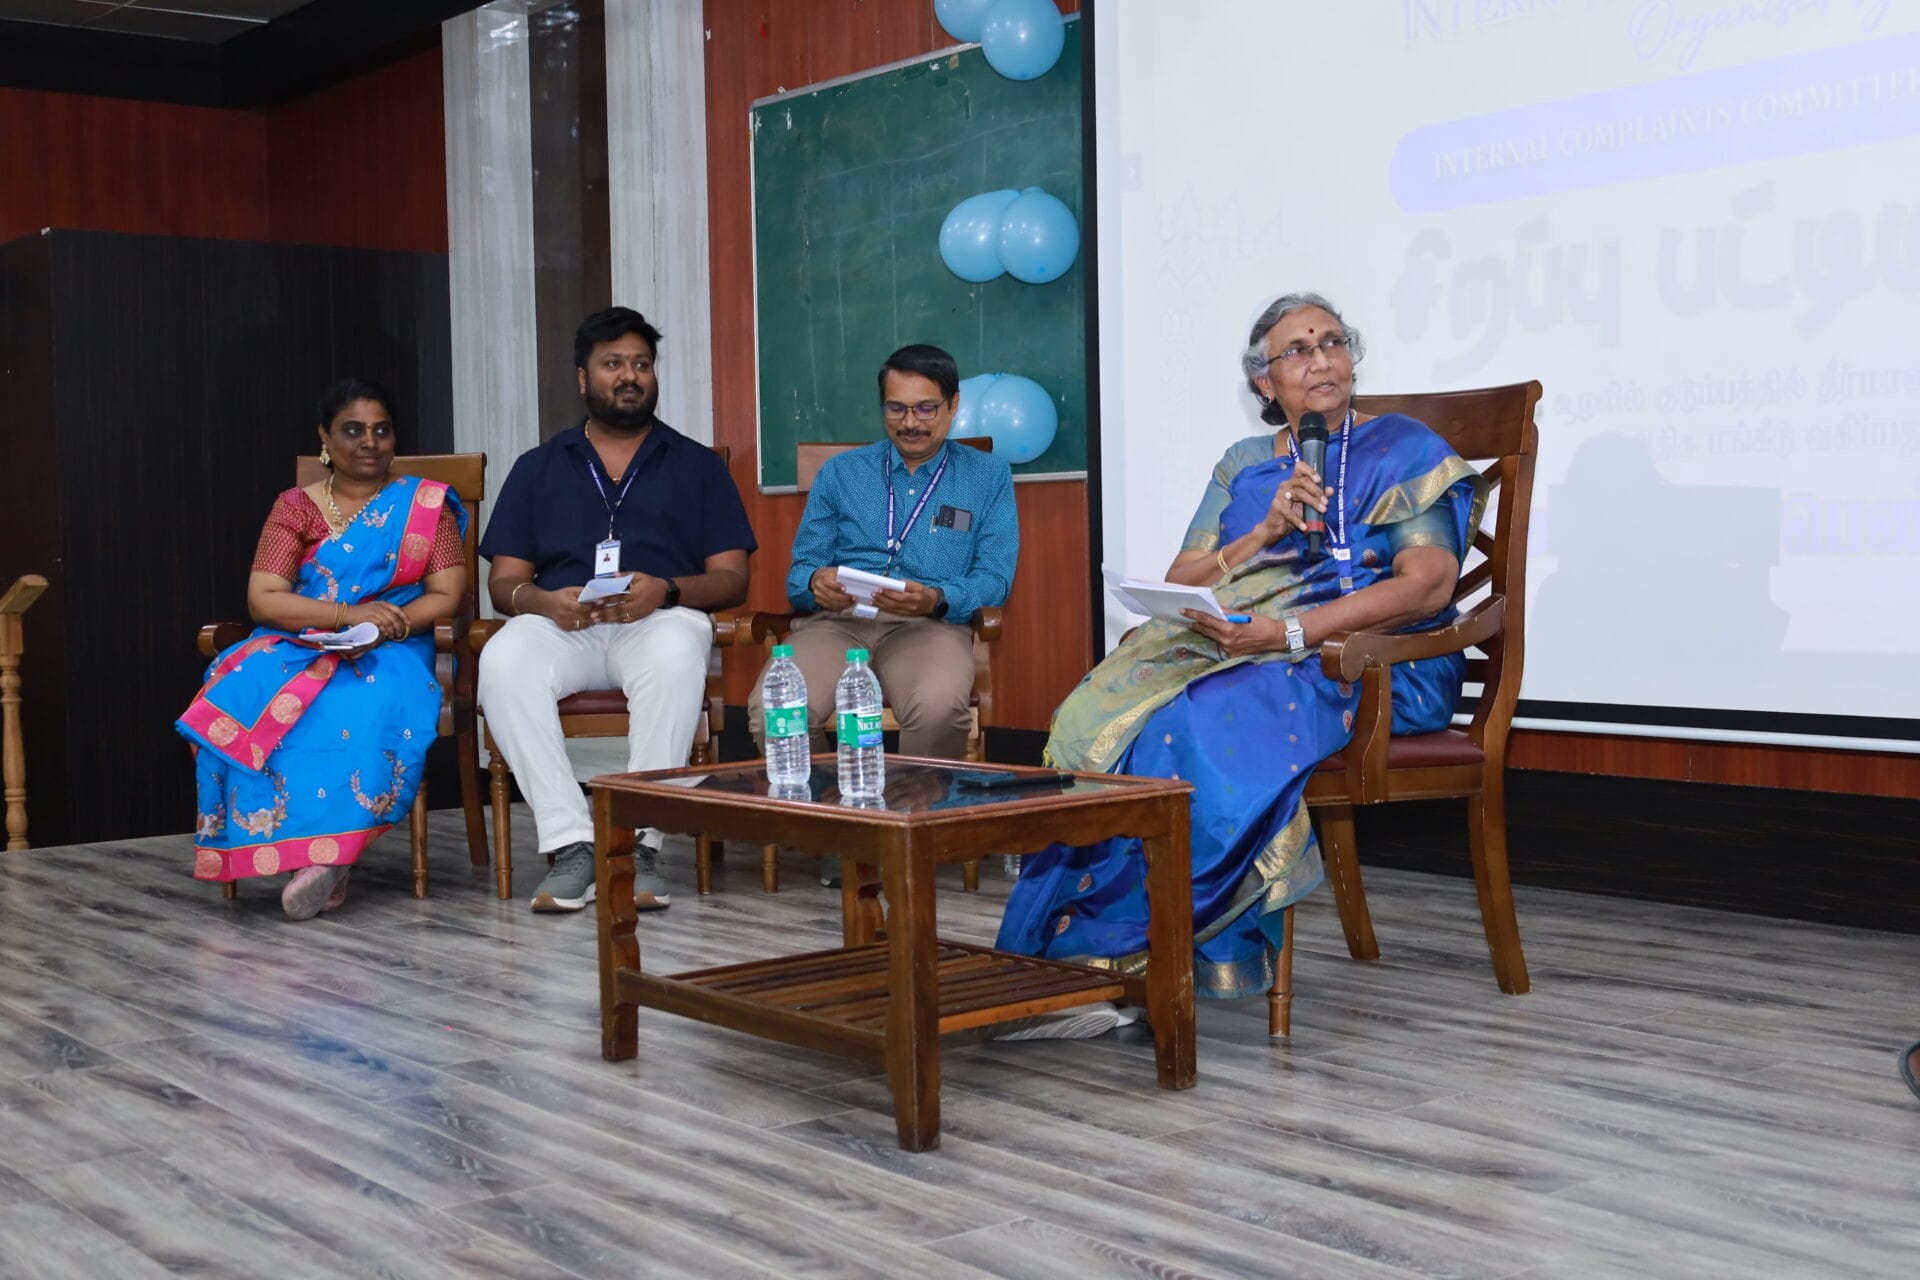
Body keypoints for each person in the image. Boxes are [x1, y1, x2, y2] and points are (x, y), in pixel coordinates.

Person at [994, 292, 1484, 1023]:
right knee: (1107, 711)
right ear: (1264, 381)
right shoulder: (1246, 463)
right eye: (1298, 349)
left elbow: (1429, 585)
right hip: (1251, 650)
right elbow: (1185, 578)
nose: (1321, 359)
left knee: (1192, 720)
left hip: (1374, 664)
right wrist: (1261, 534)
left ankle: (1137, 954)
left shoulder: (1403, 447)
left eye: (1333, 342)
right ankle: (1079, 956)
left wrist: (1290, 634)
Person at [478, 306, 755, 914]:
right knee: (502, 658)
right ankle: (571, 843)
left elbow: (733, 579)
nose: (629, 376)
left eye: (641, 364)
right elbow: (505, 585)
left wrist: (668, 591)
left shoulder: (697, 466)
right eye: (613, 364)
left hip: (656, 619)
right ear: (583, 378)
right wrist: (544, 602)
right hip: (567, 625)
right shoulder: (537, 467)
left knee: (680, 646)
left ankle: (638, 842)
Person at [177, 377, 468, 920]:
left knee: (353, 700)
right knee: (238, 687)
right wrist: (348, 617)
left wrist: (383, 627)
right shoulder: (295, 507)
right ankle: (297, 854)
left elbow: (448, 593)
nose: (369, 442)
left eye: (381, 430)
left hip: (392, 646)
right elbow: (264, 598)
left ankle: (328, 860)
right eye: (353, 430)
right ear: (325, 438)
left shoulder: (427, 505)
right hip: (301, 640)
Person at [748, 343, 1019, 882]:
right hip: (839, 622)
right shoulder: (841, 473)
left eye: (925, 408)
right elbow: (800, 573)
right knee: (775, 708)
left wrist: (936, 597)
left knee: (938, 707)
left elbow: (995, 578)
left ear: (953, 406)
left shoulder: (987, 476)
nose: (910, 423)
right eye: (897, 408)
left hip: (928, 624)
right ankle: (837, 832)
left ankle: (907, 830)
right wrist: (817, 583)